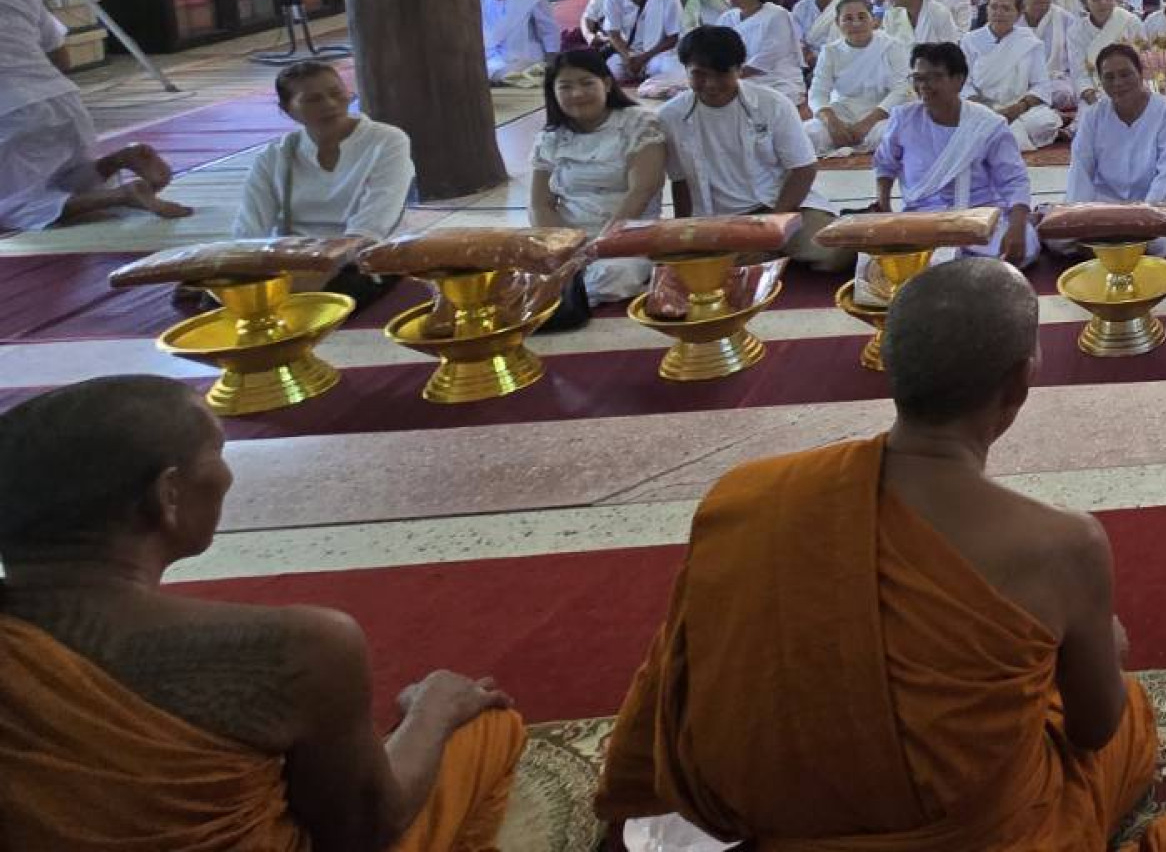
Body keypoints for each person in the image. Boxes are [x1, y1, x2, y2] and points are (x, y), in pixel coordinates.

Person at [595, 262, 1166, 850]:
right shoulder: (1062, 545)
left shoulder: (747, 495)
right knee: (1128, 710)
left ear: (890, 363)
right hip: (976, 836)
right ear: (1019, 384)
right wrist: (1100, 651)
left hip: (786, 825)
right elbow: (1093, 730)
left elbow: (688, 674)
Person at [0, 377, 526, 851]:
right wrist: (433, 709)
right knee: (487, 727)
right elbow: (366, 830)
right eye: (218, 453)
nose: (228, 475)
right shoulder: (299, 647)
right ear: (170, 495)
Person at [0, 0, 186, 228]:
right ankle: (119, 160)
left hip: (8, 114)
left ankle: (122, 195)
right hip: (62, 100)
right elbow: (61, 59)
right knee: (65, 181)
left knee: (9, 207)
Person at [656, 26, 833, 271]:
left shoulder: (772, 104)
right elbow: (680, 181)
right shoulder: (670, 116)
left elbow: (803, 169)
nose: (710, 84)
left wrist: (771, 231)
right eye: (699, 74)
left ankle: (767, 251)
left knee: (833, 254)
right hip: (715, 218)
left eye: (721, 74)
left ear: (740, 70)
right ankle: (764, 255)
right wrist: (685, 235)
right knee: (683, 263)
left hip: (776, 206)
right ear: (685, 71)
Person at [233, 62, 414, 286]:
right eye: (313, 99)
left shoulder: (386, 140)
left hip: (365, 260)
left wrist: (327, 263)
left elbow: (376, 220)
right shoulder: (274, 157)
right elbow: (249, 229)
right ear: (287, 109)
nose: (330, 104)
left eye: (337, 93)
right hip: (295, 260)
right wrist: (245, 265)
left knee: (344, 290)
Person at [530, 49, 669, 315]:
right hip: (568, 239)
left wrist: (598, 246)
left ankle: (561, 295)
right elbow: (540, 205)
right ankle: (559, 289)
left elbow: (641, 191)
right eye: (565, 87)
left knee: (612, 274)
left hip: (627, 236)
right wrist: (565, 249)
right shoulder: (550, 137)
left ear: (606, 83)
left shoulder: (639, 124)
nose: (577, 94)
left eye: (586, 83)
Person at [874, 42, 1035, 264]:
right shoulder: (903, 118)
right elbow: (885, 164)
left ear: (958, 80)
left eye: (934, 77)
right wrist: (883, 208)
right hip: (922, 219)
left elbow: (1014, 181)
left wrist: (1017, 227)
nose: (924, 86)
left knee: (1022, 243)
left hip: (980, 217)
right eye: (918, 78)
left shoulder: (988, 124)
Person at [1054, 45, 1166, 258]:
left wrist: (1143, 218)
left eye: (1125, 74)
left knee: (1158, 244)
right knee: (1057, 239)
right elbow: (1080, 170)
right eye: (1109, 77)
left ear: (1140, 73)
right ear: (1100, 81)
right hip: (1104, 201)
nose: (1118, 83)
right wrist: (1081, 219)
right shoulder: (1093, 115)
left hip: (1153, 201)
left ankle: (1106, 248)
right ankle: (1110, 245)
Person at [961, 0, 1065, 152]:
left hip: (1020, 109)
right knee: (970, 125)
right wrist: (986, 107)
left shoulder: (1029, 41)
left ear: (1018, 13)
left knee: (1044, 122)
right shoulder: (970, 41)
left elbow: (1041, 85)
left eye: (1006, 8)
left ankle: (1000, 137)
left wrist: (1017, 108)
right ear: (986, 9)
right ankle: (1008, 137)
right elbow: (963, 84)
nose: (998, 13)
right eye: (993, 7)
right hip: (982, 108)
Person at [806, 0, 909, 157]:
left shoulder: (891, 46)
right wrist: (832, 124)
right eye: (848, 19)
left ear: (873, 20)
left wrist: (867, 123)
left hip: (880, 114)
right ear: (837, 23)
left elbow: (901, 90)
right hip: (843, 113)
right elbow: (817, 93)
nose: (855, 24)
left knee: (898, 135)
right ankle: (845, 139)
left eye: (862, 17)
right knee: (806, 135)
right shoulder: (830, 52)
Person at [718, 0, 807, 107]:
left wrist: (732, 76)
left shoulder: (777, 15)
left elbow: (769, 56)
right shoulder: (727, 18)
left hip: (775, 78)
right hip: (736, 76)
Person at [596, 0, 681, 87]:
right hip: (629, 53)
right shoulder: (612, 0)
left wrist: (644, 58)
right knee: (610, 73)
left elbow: (673, 37)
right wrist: (628, 57)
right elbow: (613, 34)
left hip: (657, 53)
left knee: (669, 69)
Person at [475, 0, 557, 83]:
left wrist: (552, 59)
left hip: (523, 57)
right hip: (490, 57)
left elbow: (549, 31)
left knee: (495, 75)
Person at [1064, 0, 1148, 104]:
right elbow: (1079, 73)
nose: (1103, 3)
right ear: (1084, 2)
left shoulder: (1130, 22)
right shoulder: (1076, 32)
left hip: (1133, 88)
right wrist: (1093, 98)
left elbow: (1144, 61)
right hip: (1095, 92)